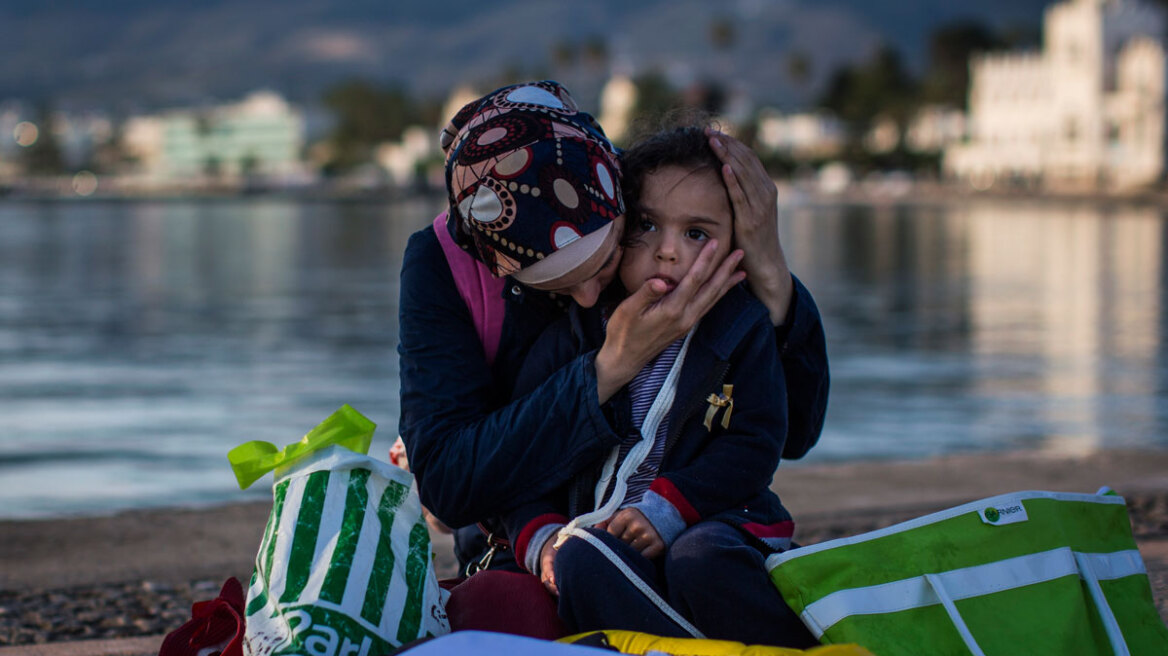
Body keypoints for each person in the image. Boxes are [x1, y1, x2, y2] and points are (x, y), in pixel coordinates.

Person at [396, 81, 829, 576]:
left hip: (678, 527)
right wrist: (609, 368)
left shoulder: (649, 199)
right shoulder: (441, 265)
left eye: (602, 266)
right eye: (554, 285)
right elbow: (449, 489)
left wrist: (770, 272)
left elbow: (790, 433)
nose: (587, 299)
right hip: (526, 539)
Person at [498, 124, 817, 647]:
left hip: (717, 522)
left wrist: (668, 508)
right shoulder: (572, 337)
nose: (667, 251)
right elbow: (526, 459)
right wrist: (541, 538)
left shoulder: (742, 328)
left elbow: (757, 442)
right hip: (600, 539)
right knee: (580, 556)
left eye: (697, 233)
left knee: (701, 558)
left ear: (737, 243)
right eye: (646, 225)